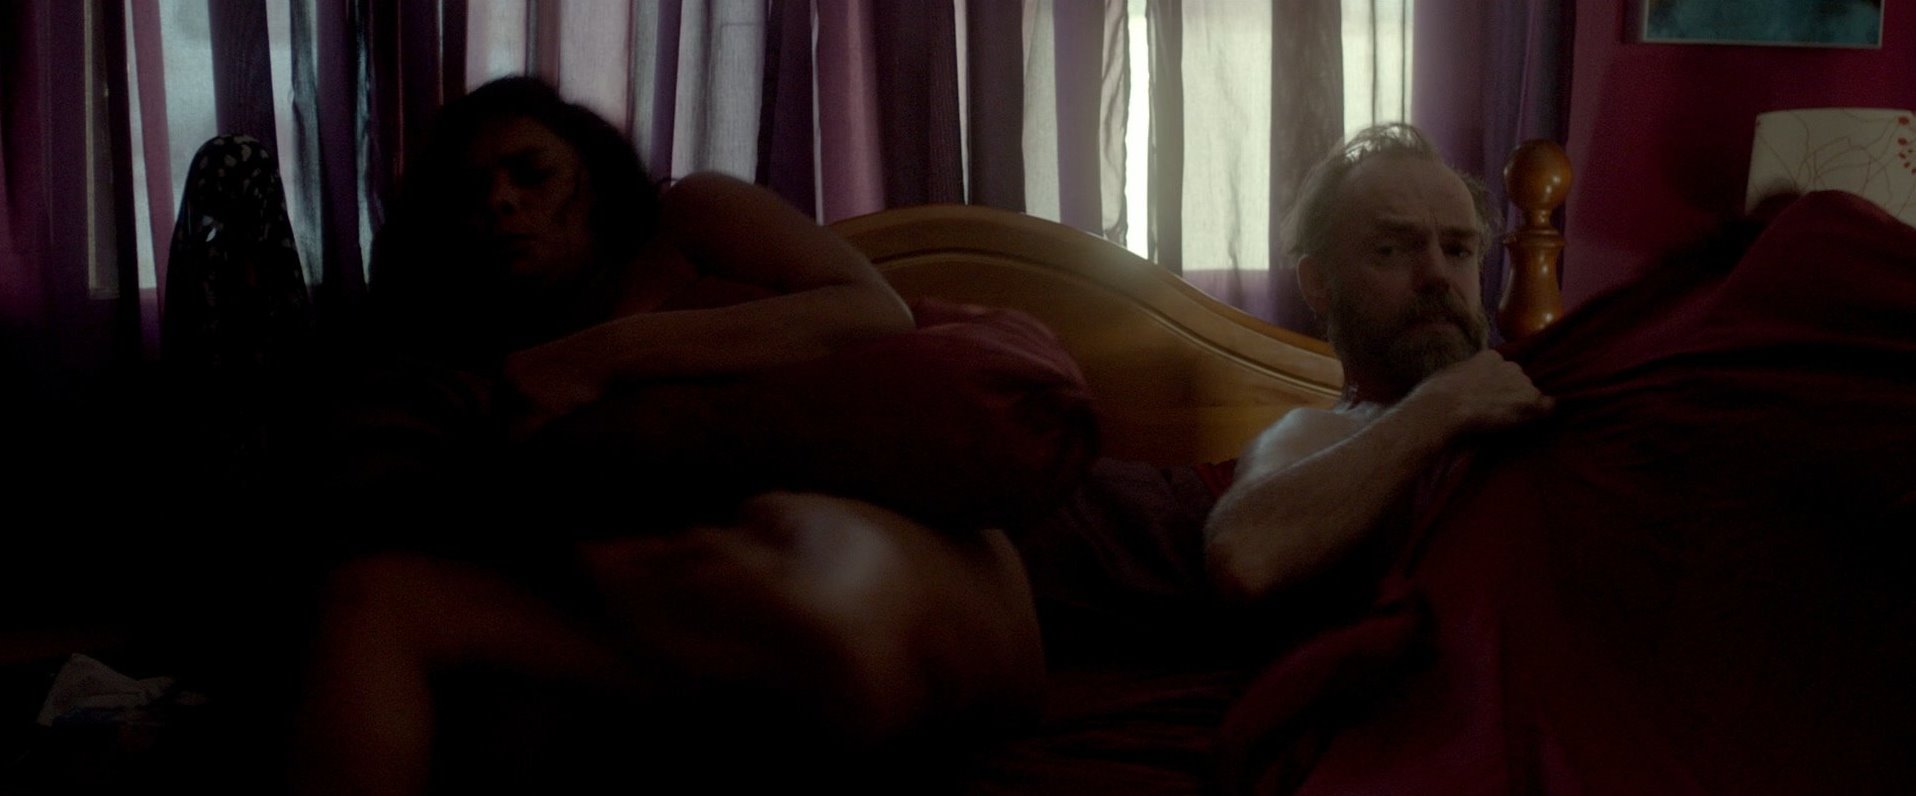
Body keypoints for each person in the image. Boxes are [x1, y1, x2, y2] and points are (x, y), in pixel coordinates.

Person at [288, 77, 1043, 795]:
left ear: (591, 177)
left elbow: (874, 311)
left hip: (881, 566)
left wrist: (601, 358)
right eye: (470, 192)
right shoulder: (479, 358)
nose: (501, 202)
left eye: (532, 174)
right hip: (716, 619)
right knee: (384, 610)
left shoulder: (688, 219)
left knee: (788, 566)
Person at [1203, 123, 1554, 606]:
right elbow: (1245, 554)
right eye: (1390, 250)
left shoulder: (1547, 381)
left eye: (1458, 250)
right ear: (1319, 284)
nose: (1437, 275)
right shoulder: (1318, 432)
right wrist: (1441, 406)